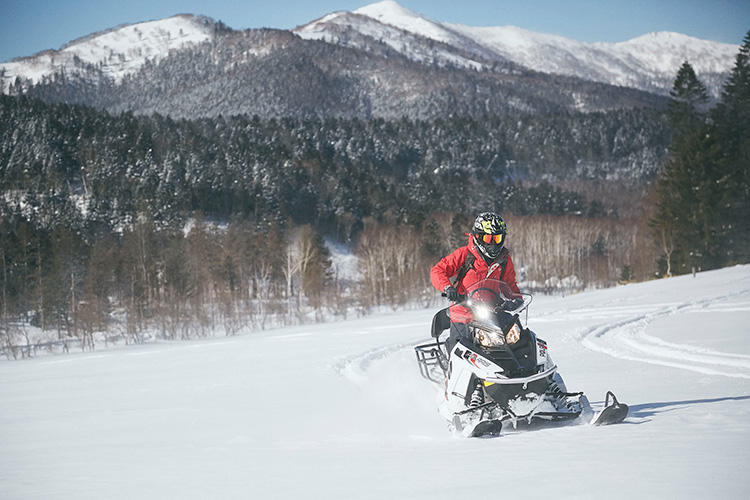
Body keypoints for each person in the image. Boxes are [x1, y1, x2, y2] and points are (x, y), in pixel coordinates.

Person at [429, 212, 521, 352]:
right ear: (478, 236)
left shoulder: (504, 259)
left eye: (497, 239)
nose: (493, 244)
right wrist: (447, 288)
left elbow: (509, 284)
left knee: (515, 342)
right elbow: (438, 270)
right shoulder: (465, 254)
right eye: (489, 238)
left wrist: (516, 299)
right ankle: (450, 372)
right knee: (459, 351)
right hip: (464, 312)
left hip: (492, 313)